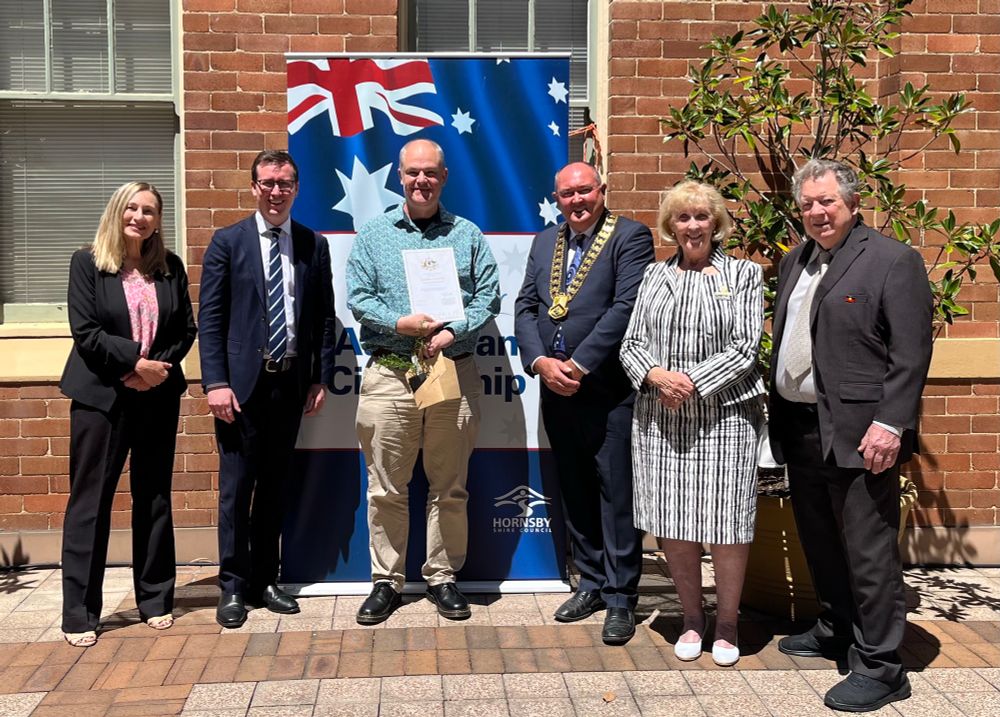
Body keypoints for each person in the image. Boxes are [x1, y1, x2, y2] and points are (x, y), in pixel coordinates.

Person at [769, 159, 932, 712]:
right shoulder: (795, 260)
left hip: (863, 434)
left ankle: (882, 666)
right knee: (820, 539)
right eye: (808, 204)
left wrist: (891, 423)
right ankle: (838, 627)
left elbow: (911, 353)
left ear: (853, 203)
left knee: (868, 551)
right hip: (802, 426)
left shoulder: (892, 260)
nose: (817, 212)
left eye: (827, 202)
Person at [346, 139, 500, 625]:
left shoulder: (467, 235)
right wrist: (400, 323)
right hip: (391, 372)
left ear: (444, 177)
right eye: (413, 172)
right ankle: (386, 581)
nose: (421, 181)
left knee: (449, 485)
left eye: (431, 172)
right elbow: (358, 296)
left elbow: (489, 296)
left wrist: (454, 331)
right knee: (385, 488)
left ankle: (442, 577)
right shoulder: (374, 235)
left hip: (452, 369)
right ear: (400, 176)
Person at [619, 181, 765, 666]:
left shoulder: (744, 274)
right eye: (683, 217)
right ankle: (691, 617)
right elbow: (631, 343)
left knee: (727, 524)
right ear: (671, 226)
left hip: (725, 418)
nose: (693, 225)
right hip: (661, 419)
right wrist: (656, 376)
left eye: (702, 216)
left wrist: (690, 382)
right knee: (673, 521)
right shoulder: (653, 275)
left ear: (716, 222)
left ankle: (727, 623)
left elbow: (746, 347)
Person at [514, 162, 654, 645]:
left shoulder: (629, 237)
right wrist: (540, 363)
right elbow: (526, 307)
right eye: (567, 194)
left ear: (602, 190)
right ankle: (590, 583)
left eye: (584, 191)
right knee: (573, 488)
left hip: (607, 390)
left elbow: (625, 307)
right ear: (557, 198)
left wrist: (577, 364)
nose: (576, 201)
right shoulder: (544, 241)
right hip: (555, 390)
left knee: (616, 494)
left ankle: (621, 597)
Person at [199, 149, 336, 629]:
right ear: (254, 187)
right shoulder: (227, 242)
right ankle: (233, 586)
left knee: (276, 487)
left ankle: (265, 579)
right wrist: (215, 382)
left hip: (290, 384)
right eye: (268, 183)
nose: (276, 192)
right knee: (237, 491)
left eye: (285, 184)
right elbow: (210, 319)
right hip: (240, 389)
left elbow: (323, 318)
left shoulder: (312, 244)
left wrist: (319, 376)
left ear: (296, 188)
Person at [59, 182, 196, 647]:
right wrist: (134, 364)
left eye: (149, 211)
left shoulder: (169, 267)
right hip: (102, 398)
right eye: (132, 208)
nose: (139, 217)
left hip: (157, 395)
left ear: (158, 220)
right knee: (90, 502)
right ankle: (79, 614)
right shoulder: (88, 262)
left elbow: (185, 329)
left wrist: (156, 370)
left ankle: (155, 599)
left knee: (154, 497)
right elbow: (85, 330)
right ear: (118, 211)